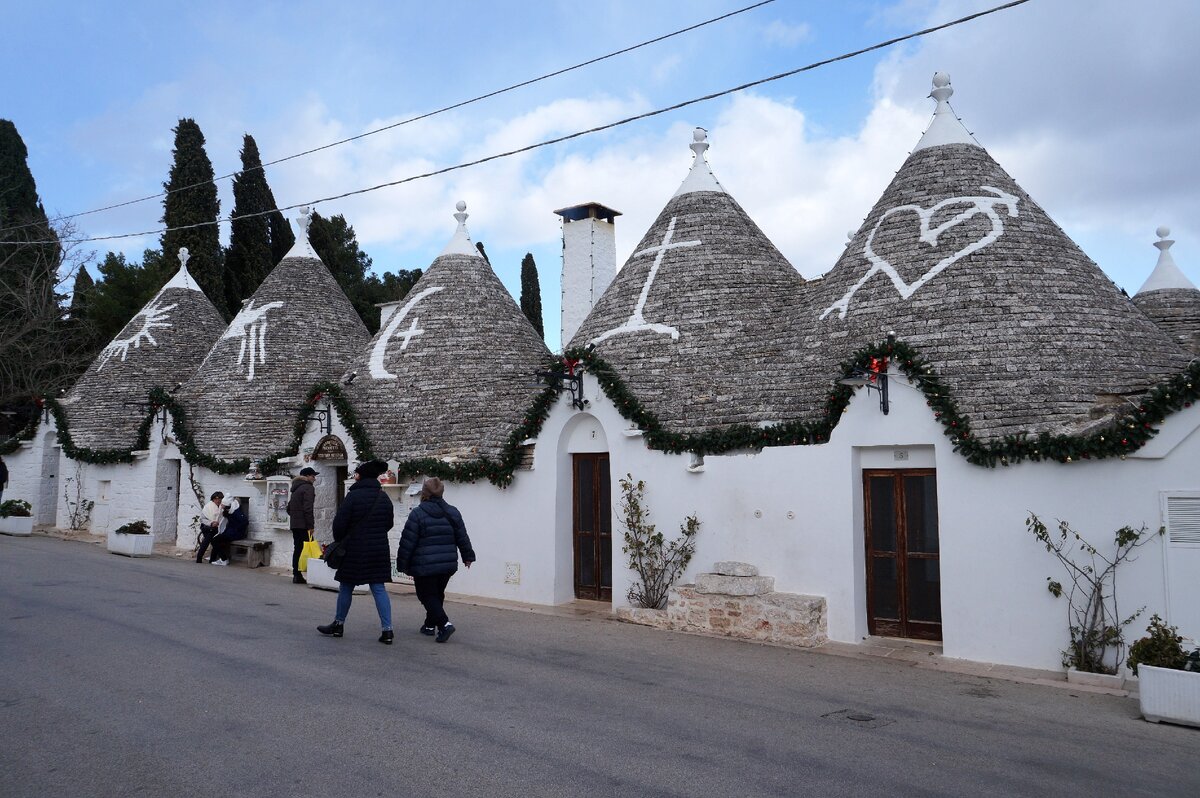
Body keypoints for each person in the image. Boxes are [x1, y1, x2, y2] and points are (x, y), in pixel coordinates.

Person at [317, 460, 395, 643]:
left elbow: (339, 526)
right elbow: (389, 524)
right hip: (378, 548)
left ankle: (338, 624)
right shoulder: (383, 497)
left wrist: (343, 539)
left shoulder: (352, 497)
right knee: (378, 588)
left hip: (354, 548)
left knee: (346, 586)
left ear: (361, 476)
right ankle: (387, 630)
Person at [396, 476, 475, 643]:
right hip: (447, 564)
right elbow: (462, 537)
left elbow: (408, 541)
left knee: (426, 595)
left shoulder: (418, 514)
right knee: (437, 594)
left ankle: (445, 624)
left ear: (424, 494)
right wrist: (467, 556)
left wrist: (402, 564)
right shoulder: (453, 512)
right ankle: (429, 626)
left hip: (424, 565)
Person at [287, 467, 318, 584]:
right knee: (309, 549)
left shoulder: (295, 488)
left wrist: (296, 517)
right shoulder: (308, 488)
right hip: (304, 525)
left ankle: (296, 574)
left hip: (295, 524)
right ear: (307, 476)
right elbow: (308, 509)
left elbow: (289, 508)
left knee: (298, 549)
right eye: (313, 476)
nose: (314, 479)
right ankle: (312, 574)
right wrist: (311, 526)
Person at [210, 497, 247, 566]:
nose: (221, 505)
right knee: (216, 539)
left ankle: (224, 559)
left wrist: (236, 529)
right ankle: (216, 558)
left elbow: (244, 522)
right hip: (230, 532)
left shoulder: (236, 512)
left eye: (223, 504)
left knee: (215, 540)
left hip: (236, 534)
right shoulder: (229, 510)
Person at [196, 491, 224, 564]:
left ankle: (212, 559)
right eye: (216, 499)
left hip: (217, 528)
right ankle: (200, 557)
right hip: (208, 527)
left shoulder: (221, 507)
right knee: (207, 541)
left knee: (214, 542)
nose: (218, 500)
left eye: (220, 499)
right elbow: (202, 519)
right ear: (213, 499)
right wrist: (211, 523)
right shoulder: (208, 507)